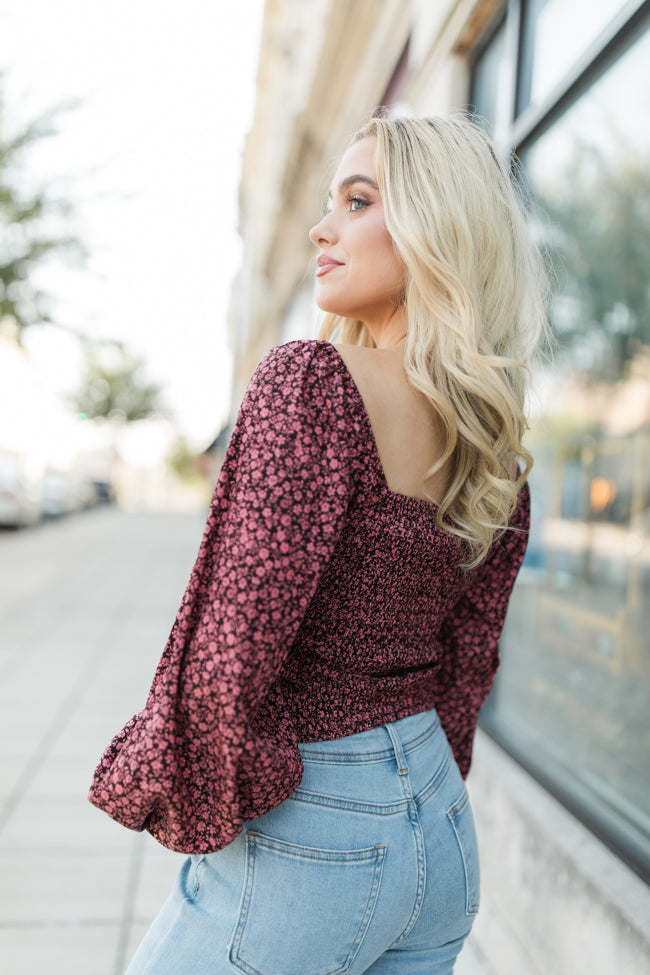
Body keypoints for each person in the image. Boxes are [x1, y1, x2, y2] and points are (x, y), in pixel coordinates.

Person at [89, 114, 547, 974]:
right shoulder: (494, 445)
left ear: (434, 230)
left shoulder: (311, 383)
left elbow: (232, 645)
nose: (321, 227)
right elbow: (468, 665)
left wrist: (211, 798)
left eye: (359, 200)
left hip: (317, 829)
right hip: (441, 833)